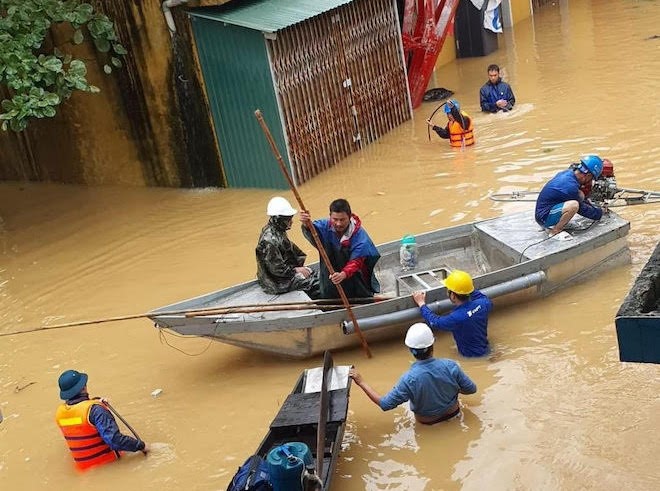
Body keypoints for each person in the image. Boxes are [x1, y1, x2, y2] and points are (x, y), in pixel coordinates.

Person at [349, 323, 477, 424]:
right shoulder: (450, 366)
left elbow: (384, 404)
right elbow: (471, 389)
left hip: (428, 425)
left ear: (410, 350)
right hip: (455, 415)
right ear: (432, 344)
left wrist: (361, 382)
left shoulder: (408, 379)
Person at [55, 370, 149, 471]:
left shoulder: (59, 413)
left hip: (84, 469)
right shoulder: (96, 410)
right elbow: (115, 441)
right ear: (83, 387)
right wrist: (142, 446)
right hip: (110, 466)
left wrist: (95, 402)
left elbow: (81, 419)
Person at [300, 198, 380, 299]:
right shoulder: (324, 226)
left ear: (349, 217)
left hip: (353, 278)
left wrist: (343, 274)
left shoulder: (360, 236)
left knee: (357, 296)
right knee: (329, 294)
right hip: (330, 274)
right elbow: (312, 233)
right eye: (335, 219)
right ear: (330, 217)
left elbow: (356, 261)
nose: (338, 223)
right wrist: (306, 224)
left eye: (342, 220)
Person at [412, 270, 492, 357]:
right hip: (486, 349)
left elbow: (434, 322)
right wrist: (464, 286)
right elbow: (478, 295)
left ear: (453, 296)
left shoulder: (456, 318)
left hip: (472, 357)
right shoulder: (483, 303)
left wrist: (421, 304)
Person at [256, 196, 320, 299]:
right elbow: (277, 270)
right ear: (279, 219)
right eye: (288, 219)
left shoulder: (277, 230)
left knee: (313, 273)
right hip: (276, 283)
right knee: (316, 284)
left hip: (282, 274)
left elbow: (291, 251)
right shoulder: (270, 241)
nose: (291, 222)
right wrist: (296, 271)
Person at [534, 155, 607, 237]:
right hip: (543, 218)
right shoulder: (570, 188)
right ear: (588, 175)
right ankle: (555, 231)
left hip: (545, 209)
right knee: (574, 205)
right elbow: (582, 208)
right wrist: (599, 213)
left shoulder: (568, 173)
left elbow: (581, 198)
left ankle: (556, 222)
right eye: (591, 178)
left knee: (578, 198)